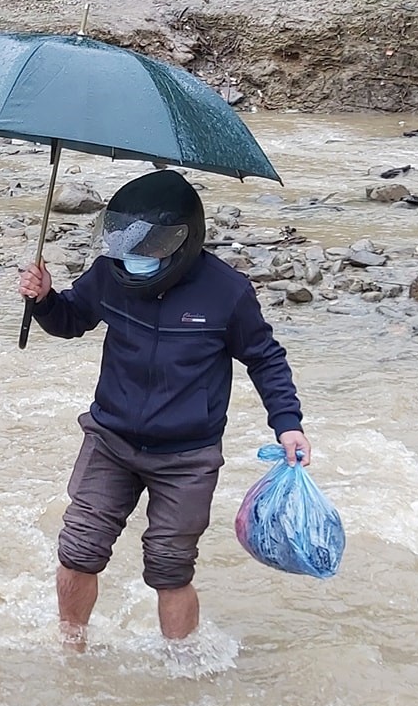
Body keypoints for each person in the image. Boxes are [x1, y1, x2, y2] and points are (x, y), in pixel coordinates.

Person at [18, 169, 309, 649]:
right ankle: (71, 649)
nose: (137, 259)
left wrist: (288, 424)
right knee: (79, 550)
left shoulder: (226, 292)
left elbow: (265, 358)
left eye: (151, 249)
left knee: (170, 569)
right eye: (128, 245)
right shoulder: (110, 274)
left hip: (187, 456)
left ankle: (182, 666)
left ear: (185, 242)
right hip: (110, 439)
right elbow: (72, 321)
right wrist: (46, 298)